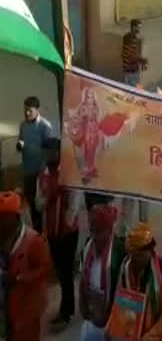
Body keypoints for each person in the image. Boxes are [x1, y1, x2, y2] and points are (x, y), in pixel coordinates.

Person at [36, 138, 83, 332]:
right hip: (52, 232)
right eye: (45, 152)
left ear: (58, 152)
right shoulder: (43, 175)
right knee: (60, 270)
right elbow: (38, 204)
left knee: (65, 272)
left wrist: (67, 222)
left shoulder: (69, 173)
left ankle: (67, 311)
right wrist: (49, 197)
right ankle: (66, 308)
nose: (48, 156)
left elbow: (76, 201)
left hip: (67, 232)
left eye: (51, 152)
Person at [110, 223, 162, 341]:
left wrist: (150, 336)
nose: (137, 260)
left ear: (150, 251)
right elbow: (120, 301)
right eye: (134, 256)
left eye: (141, 256)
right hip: (130, 332)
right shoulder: (126, 266)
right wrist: (111, 327)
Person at [0, 191, 52, 341]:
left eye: (3, 218)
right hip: (6, 309)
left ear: (15, 218)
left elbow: (44, 270)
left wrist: (18, 278)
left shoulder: (34, 241)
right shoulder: (3, 237)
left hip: (27, 310)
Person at [79, 204, 125, 341]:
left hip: (112, 319)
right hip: (92, 316)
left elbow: (125, 293)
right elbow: (82, 277)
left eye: (99, 232)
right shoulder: (88, 246)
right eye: (92, 230)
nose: (95, 237)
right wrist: (82, 301)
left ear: (109, 230)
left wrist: (113, 319)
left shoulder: (120, 251)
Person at [16, 96, 53, 232]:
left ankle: (40, 235)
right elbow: (21, 140)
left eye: (29, 111)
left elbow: (50, 151)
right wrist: (19, 145)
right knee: (29, 204)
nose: (26, 113)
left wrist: (30, 147)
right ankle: (31, 233)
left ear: (37, 110)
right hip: (27, 170)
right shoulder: (23, 125)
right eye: (25, 110)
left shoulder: (45, 126)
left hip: (40, 174)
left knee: (40, 208)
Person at [122, 18, 147, 87]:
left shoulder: (132, 37)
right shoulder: (130, 38)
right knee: (136, 90)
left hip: (130, 70)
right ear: (133, 27)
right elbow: (130, 56)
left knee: (132, 90)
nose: (139, 29)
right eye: (138, 27)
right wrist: (142, 61)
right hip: (131, 71)